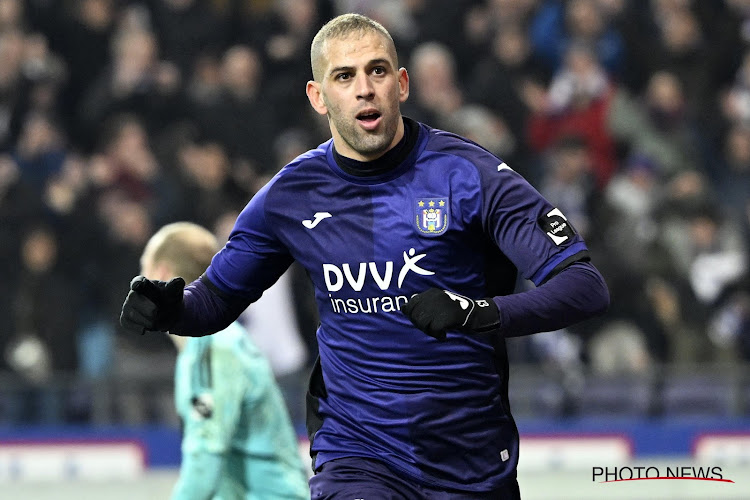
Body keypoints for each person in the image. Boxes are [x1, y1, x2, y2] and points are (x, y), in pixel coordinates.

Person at [121, 13, 609, 499]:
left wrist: (477, 313)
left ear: (401, 84)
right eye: (344, 76)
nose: (364, 89)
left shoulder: (470, 175)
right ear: (318, 97)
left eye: (377, 71)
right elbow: (215, 299)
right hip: (356, 454)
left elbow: (584, 287)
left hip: (471, 459)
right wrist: (172, 310)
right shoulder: (290, 195)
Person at [135, 222, 310, 500]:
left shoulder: (213, 347)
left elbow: (203, 470)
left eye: (144, 267)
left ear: (161, 274)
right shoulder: (215, 344)